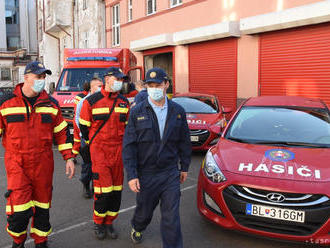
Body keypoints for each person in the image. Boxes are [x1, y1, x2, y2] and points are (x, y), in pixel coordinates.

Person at [0, 61, 75, 248]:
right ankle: (18, 242)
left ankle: (41, 241)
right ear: (26, 78)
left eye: (44, 77)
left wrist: (69, 157)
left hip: (43, 162)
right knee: (19, 210)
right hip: (17, 162)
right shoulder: (6, 104)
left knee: (42, 206)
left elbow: (61, 132)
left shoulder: (51, 104)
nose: (42, 80)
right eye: (38, 76)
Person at [122, 67, 192, 248]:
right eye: (150, 85)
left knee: (171, 217)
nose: (154, 88)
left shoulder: (178, 111)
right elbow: (129, 146)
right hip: (147, 173)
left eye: (158, 84)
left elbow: (184, 141)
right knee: (144, 212)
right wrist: (132, 175)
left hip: (169, 173)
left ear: (166, 84)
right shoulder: (137, 111)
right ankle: (137, 226)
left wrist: (184, 167)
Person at [79, 67, 129, 240]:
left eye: (122, 80)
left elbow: (127, 128)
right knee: (103, 191)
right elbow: (84, 128)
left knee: (116, 191)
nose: (121, 83)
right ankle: (98, 223)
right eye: (118, 79)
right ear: (107, 79)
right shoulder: (91, 101)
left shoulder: (124, 102)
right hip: (99, 151)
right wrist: (94, 145)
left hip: (118, 152)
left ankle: (109, 223)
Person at [72, 78, 103, 198]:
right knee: (88, 165)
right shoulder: (83, 102)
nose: (101, 88)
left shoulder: (103, 101)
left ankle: (97, 186)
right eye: (98, 86)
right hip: (87, 139)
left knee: (99, 164)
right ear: (91, 88)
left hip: (100, 139)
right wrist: (83, 137)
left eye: (102, 85)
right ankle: (86, 185)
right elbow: (77, 120)